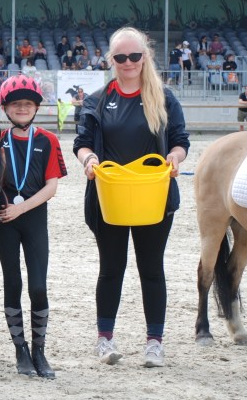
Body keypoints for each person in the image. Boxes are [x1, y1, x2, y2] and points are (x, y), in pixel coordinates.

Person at [73, 26, 190, 368]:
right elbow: (81, 143)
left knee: (151, 268)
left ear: (145, 56)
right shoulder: (97, 100)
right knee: (111, 269)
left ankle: (154, 342)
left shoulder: (164, 98)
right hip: (110, 196)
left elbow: (180, 140)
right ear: (111, 59)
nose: (128, 62)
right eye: (121, 57)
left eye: (134, 56)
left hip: (153, 196)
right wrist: (88, 160)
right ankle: (105, 339)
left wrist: (176, 157)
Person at [0, 75, 67, 377]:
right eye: (15, 104)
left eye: (27, 103)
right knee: (13, 283)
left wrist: (20, 208)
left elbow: (51, 187)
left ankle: (39, 350)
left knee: (38, 286)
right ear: (5, 108)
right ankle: (20, 350)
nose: (22, 108)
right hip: (4, 220)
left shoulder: (47, 140)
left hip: (33, 218)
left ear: (36, 107)